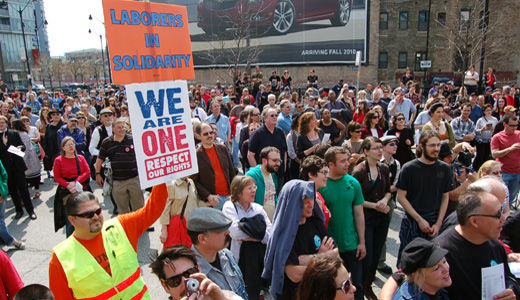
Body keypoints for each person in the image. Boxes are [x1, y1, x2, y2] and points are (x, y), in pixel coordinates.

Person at [48, 183, 168, 299]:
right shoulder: (60, 259)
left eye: (98, 211)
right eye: (88, 214)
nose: (95, 217)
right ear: (72, 220)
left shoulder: (121, 226)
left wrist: (160, 179)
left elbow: (153, 209)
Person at [436, 191, 520, 300]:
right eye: (497, 215)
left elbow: (507, 277)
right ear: (474, 221)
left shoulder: (495, 246)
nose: (503, 219)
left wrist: (512, 290)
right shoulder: (441, 252)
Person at [262, 180, 338, 299]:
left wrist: (312, 258)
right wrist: (321, 256)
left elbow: (336, 253)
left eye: (311, 200)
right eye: (305, 201)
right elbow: (294, 274)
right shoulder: (284, 235)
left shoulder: (316, 222)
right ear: (293, 203)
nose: (311, 205)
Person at [396, 130, 453, 264]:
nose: (436, 149)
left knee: (431, 264)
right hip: (412, 223)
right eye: (432, 145)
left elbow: (446, 197)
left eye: (438, 145)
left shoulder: (445, 169)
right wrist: (419, 220)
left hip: (434, 224)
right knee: (407, 265)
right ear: (421, 146)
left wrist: (438, 224)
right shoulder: (409, 168)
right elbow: (401, 197)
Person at [319, 146, 365, 300]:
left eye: (347, 160)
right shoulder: (321, 185)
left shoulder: (353, 183)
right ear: (331, 164)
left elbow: (359, 214)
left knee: (355, 286)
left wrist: (362, 242)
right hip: (329, 248)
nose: (348, 164)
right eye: (343, 161)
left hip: (351, 245)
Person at [352, 137, 391, 300]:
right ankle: (360, 288)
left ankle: (368, 285)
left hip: (382, 217)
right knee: (366, 256)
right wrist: (375, 205)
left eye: (381, 147)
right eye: (375, 148)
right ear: (366, 151)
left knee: (376, 256)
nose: (380, 151)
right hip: (366, 218)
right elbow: (356, 200)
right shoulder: (359, 171)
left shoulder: (384, 169)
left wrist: (384, 200)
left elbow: (389, 191)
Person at [223, 176, 272, 300]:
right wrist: (258, 233)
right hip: (237, 260)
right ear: (239, 191)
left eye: (254, 187)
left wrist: (248, 232)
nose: (253, 190)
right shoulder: (229, 207)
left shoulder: (258, 209)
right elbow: (235, 233)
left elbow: (269, 236)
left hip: (257, 264)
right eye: (249, 188)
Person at [186, 207, 248, 299]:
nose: (228, 232)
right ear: (202, 238)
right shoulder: (192, 275)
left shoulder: (227, 255)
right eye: (220, 230)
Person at [95, 119, 144, 215]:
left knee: (139, 207)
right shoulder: (107, 142)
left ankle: (141, 226)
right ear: (113, 129)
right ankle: (127, 228)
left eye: (123, 127)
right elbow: (100, 159)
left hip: (134, 179)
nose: (122, 129)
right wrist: (97, 174)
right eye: (119, 127)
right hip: (117, 181)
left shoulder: (132, 139)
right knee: (122, 210)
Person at [150, 245, 232, 300]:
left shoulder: (220, 295)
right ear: (165, 286)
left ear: (199, 270)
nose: (185, 282)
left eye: (190, 273)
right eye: (175, 280)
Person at [53, 136, 91, 237]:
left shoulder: (81, 158)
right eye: (68, 144)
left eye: (72, 144)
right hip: (66, 191)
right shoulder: (58, 160)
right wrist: (68, 185)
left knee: (86, 215)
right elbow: (57, 177)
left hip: (80, 188)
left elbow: (87, 172)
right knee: (71, 220)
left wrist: (76, 182)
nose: (71, 146)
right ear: (63, 148)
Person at [192, 123, 235, 211]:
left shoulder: (222, 148)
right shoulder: (196, 155)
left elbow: (232, 172)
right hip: (213, 200)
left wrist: (235, 192)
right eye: (205, 134)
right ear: (199, 136)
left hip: (229, 197)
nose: (209, 135)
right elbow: (194, 181)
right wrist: (208, 195)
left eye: (211, 133)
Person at [0, 116, 35, 220]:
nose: (1, 124)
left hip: (18, 166)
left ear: (7, 123)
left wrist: (21, 148)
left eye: (3, 122)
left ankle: (30, 210)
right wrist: (5, 145)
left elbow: (23, 146)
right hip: (6, 168)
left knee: (24, 189)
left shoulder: (14, 133)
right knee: (12, 190)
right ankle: (18, 210)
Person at [160, 177, 204, 249]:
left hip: (191, 227)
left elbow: (195, 202)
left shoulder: (191, 182)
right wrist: (164, 230)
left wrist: (208, 203)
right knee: (175, 255)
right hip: (177, 229)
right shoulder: (171, 184)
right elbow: (165, 208)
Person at [247, 108, 287, 186]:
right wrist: (258, 172)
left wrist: (284, 167)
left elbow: (284, 151)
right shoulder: (257, 134)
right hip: (263, 176)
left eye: (276, 115)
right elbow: (250, 155)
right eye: (272, 115)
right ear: (264, 118)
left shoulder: (280, 132)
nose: (275, 117)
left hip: (279, 174)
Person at [491, 115, 520, 208]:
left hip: (517, 172)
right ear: (504, 124)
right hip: (503, 172)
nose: (514, 128)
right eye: (512, 125)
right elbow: (494, 154)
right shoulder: (497, 137)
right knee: (501, 199)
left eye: (516, 125)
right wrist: (510, 149)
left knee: (511, 199)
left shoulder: (519, 134)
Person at [245, 147, 280, 220]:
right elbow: (245, 202)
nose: (278, 164)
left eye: (279, 160)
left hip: (272, 223)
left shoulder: (273, 175)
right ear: (264, 161)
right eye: (274, 160)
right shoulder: (251, 176)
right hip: (258, 223)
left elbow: (274, 196)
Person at [0, 158, 25, 250]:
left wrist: (4, 190)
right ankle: (11, 241)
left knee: (1, 220)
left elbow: (3, 174)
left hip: (1, 195)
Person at [300, 155, 331, 228]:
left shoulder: (318, 195)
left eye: (328, 173)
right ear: (310, 174)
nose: (327, 176)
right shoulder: (304, 198)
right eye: (324, 172)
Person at [13, 118, 41, 200]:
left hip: (28, 157)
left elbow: (26, 148)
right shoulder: (16, 134)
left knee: (34, 176)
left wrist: (23, 160)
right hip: (22, 156)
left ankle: (36, 191)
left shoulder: (23, 134)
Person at [474, 104, 499, 171]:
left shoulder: (495, 119)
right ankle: (477, 169)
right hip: (481, 140)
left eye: (490, 110)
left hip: (489, 140)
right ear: (484, 112)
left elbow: (497, 130)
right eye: (487, 110)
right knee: (480, 156)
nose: (489, 112)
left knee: (487, 156)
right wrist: (482, 129)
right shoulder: (480, 120)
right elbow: (476, 131)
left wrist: (493, 129)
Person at [43, 109, 64, 178]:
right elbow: (46, 138)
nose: (56, 116)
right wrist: (45, 150)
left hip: (61, 148)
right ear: (51, 116)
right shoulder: (48, 126)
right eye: (53, 114)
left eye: (57, 114)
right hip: (50, 148)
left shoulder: (64, 125)